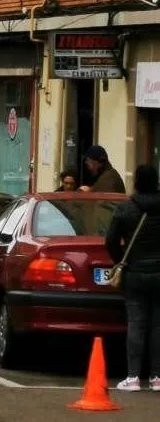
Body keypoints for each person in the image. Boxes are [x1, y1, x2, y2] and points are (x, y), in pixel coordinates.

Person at [105, 164, 160, 391]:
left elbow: (110, 241)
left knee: (136, 324)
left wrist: (122, 260)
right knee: (158, 326)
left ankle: (133, 377)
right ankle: (157, 378)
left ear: (136, 181)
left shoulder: (125, 209)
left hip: (135, 274)